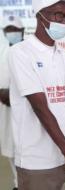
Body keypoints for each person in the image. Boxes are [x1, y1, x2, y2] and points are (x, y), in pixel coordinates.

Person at [8, 1, 65, 190]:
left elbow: (63, 105)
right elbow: (40, 108)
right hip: (37, 160)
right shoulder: (20, 53)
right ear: (39, 16)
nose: (63, 21)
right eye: (57, 14)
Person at [0, 15, 24, 190]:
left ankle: (24, 184)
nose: (11, 33)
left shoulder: (28, 51)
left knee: (25, 148)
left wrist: (13, 95)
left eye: (15, 30)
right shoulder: (1, 52)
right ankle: (17, 184)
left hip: (25, 109)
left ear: (22, 31)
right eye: (8, 30)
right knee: (9, 147)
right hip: (5, 111)